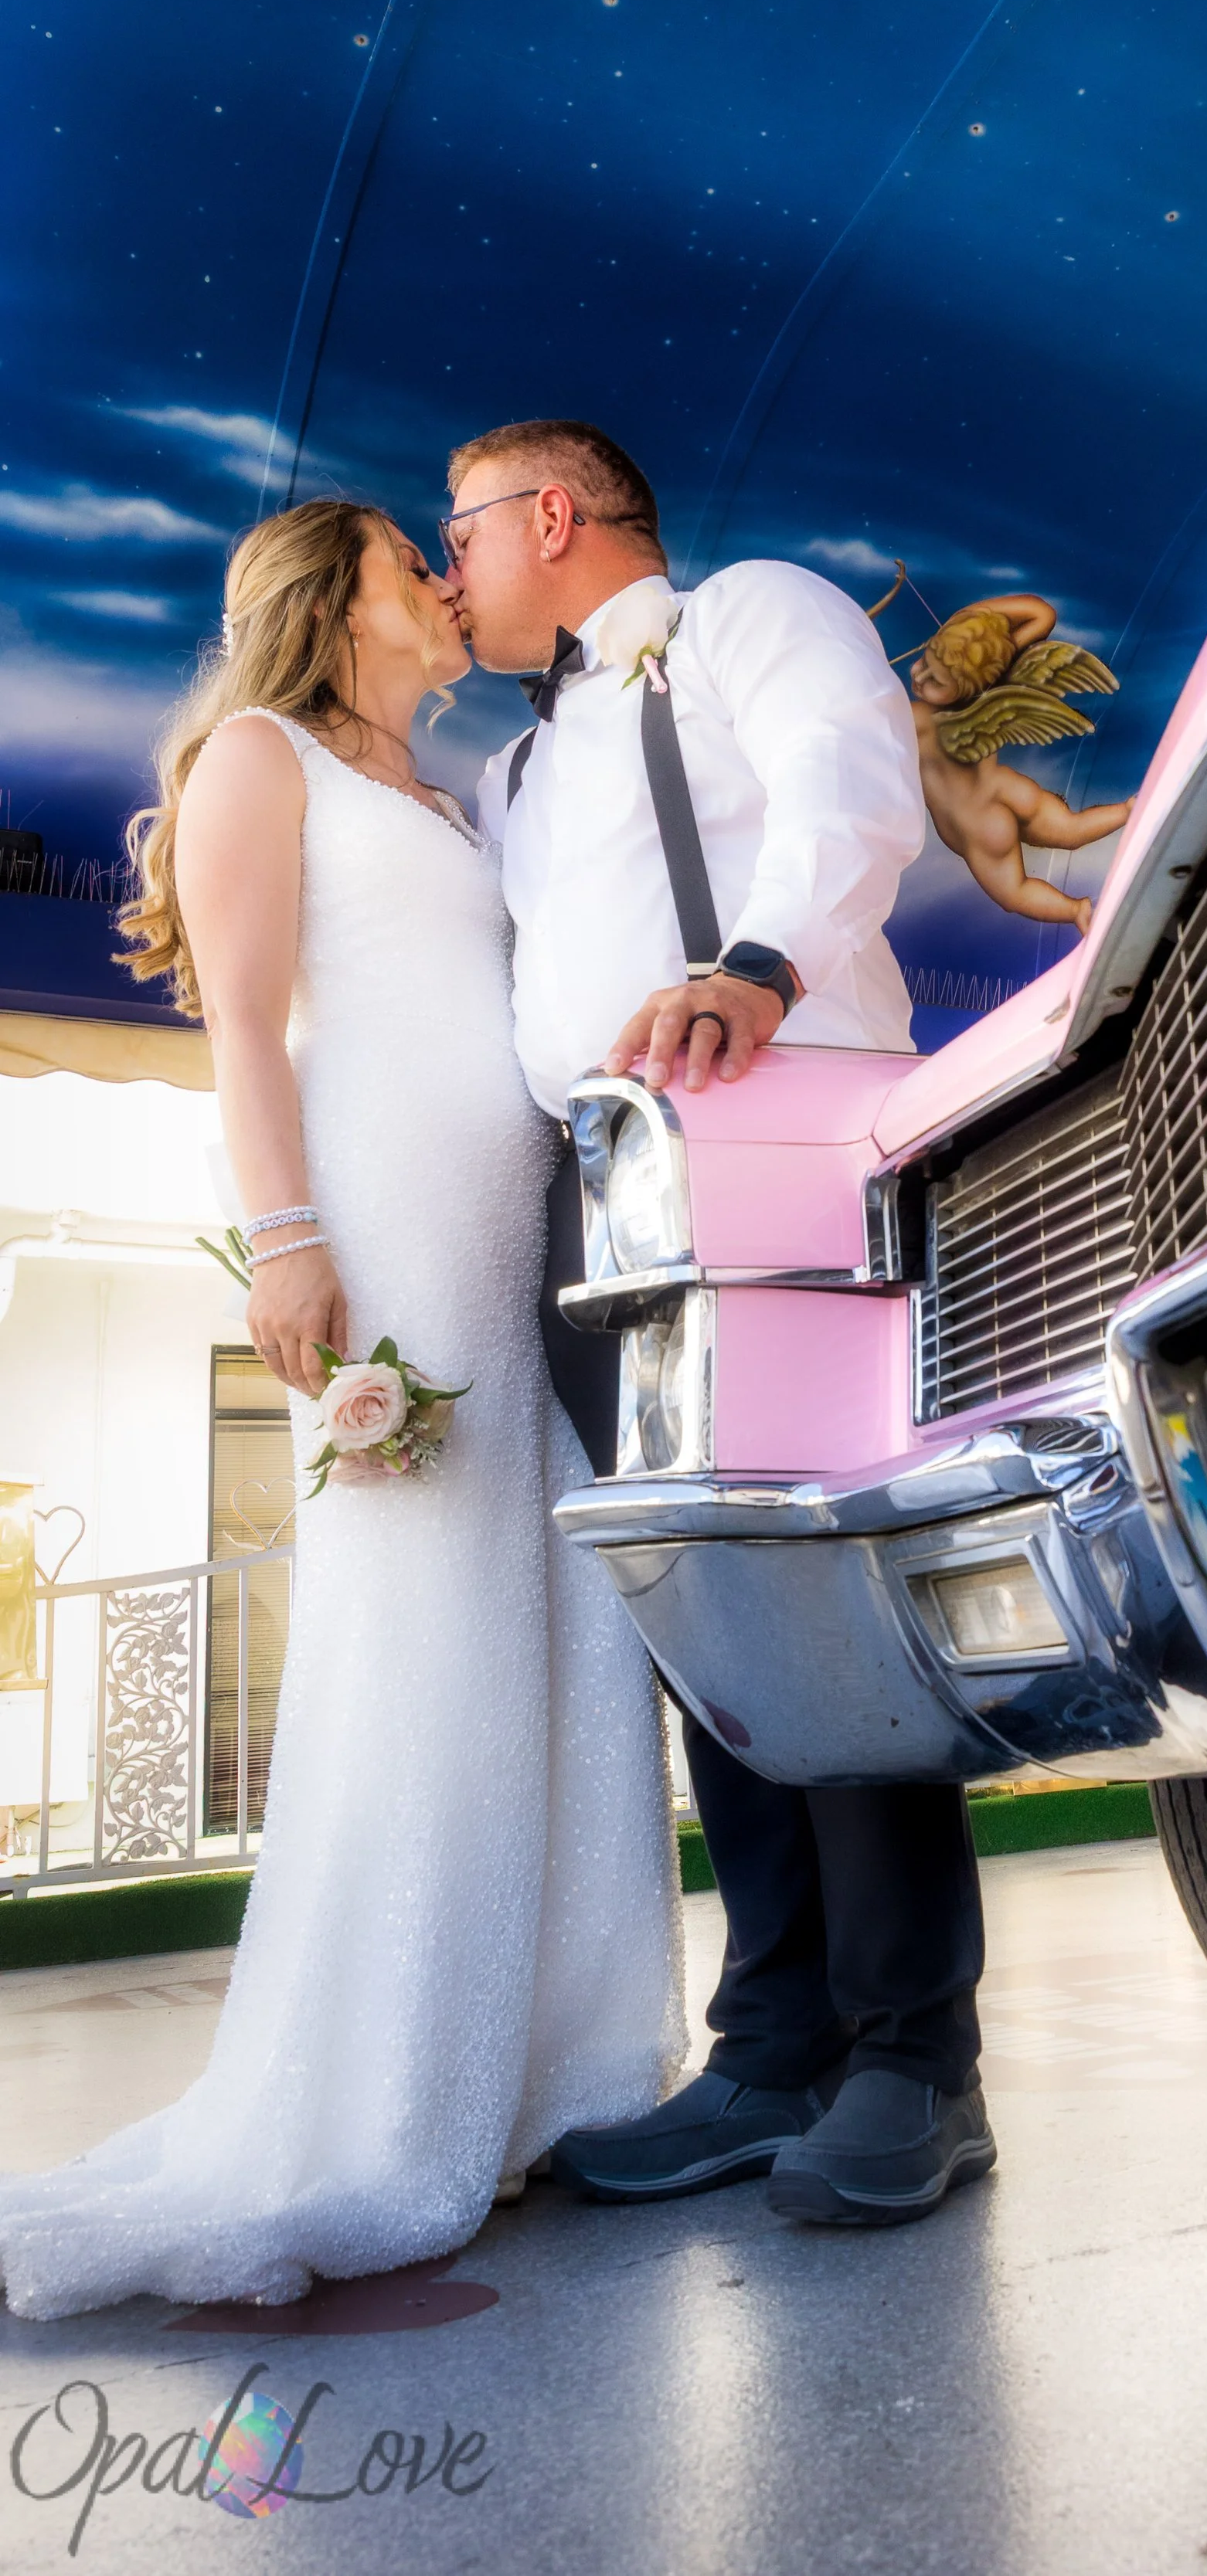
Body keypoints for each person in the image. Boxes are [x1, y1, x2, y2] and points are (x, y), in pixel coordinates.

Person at [0, 501, 684, 2320]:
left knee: (550, 1628)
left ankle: (557, 2073)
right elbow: (244, 1021)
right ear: (338, 593)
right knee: (425, 1634)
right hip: (381, 1232)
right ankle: (387, 2105)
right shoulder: (257, 753)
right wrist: (287, 1244)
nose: (447, 583)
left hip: (510, 1234)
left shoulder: (450, 787)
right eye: (415, 558)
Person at [448, 416, 996, 2227]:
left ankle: (916, 2055)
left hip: (773, 1141)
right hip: (597, 1197)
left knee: (826, 1597)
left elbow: (853, 788)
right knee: (705, 1626)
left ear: (551, 512)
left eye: (458, 529)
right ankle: (770, 2047)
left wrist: (752, 965)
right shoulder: (515, 770)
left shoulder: (753, 609)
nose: (449, 568)